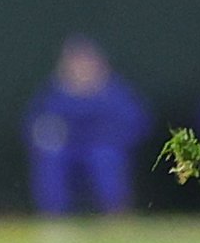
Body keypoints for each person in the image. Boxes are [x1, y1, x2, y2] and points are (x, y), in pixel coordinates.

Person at [23, 36, 150, 217]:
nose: (81, 68)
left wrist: (109, 138)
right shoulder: (54, 94)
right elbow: (36, 126)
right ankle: (53, 218)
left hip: (102, 149)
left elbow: (136, 124)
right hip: (67, 151)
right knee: (51, 158)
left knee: (105, 158)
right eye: (75, 63)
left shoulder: (115, 94)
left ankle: (115, 216)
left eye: (85, 62)